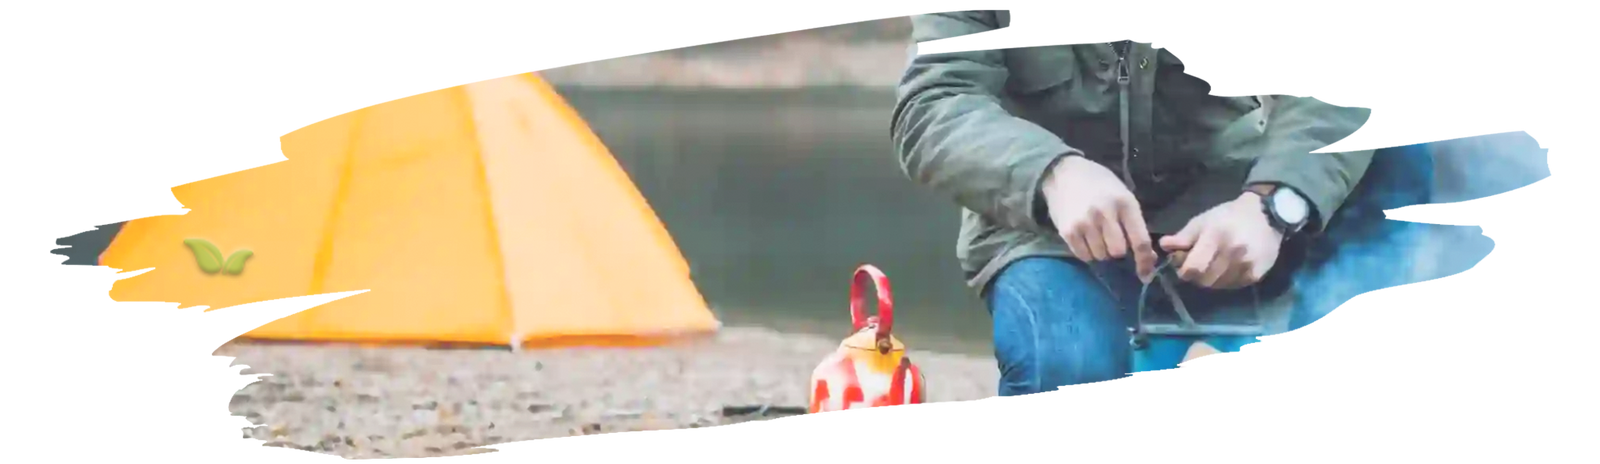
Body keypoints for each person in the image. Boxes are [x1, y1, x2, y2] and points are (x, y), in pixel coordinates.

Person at [890, 8, 1432, 399]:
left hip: (1233, 214)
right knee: (1067, 364)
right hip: (1042, 228)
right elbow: (934, 102)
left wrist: (1271, 205)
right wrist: (1052, 173)